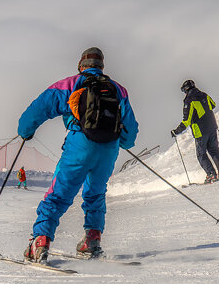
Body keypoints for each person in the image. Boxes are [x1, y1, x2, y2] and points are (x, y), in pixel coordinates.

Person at [17, 47, 138, 261]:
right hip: (108, 148)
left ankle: (41, 240)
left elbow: (40, 107)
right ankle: (92, 240)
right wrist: (124, 142)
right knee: (95, 194)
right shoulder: (118, 90)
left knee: (59, 194)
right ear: (101, 67)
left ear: (81, 66)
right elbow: (130, 131)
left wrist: (26, 131)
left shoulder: (71, 84)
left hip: (80, 144)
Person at [171, 79, 219, 184]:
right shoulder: (204, 95)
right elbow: (213, 105)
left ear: (185, 90)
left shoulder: (189, 100)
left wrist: (176, 131)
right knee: (214, 150)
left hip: (200, 131)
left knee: (201, 154)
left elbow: (186, 120)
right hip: (212, 127)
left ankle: (211, 174)